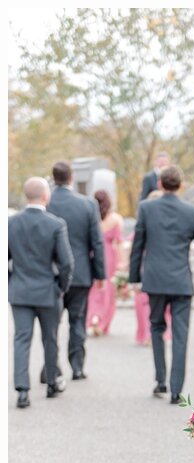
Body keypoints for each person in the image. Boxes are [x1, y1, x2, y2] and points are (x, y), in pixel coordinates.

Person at [128, 164, 194, 403]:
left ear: (160, 184)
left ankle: (160, 381)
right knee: (180, 335)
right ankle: (176, 389)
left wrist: (134, 278)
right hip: (180, 281)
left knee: (156, 328)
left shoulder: (146, 208)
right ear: (181, 185)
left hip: (155, 279)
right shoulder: (192, 212)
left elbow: (138, 245)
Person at [9, 177, 74, 408]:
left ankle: (22, 391)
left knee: (21, 339)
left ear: (27, 196)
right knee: (51, 338)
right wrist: (61, 288)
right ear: (46, 196)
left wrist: (11, 281)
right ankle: (51, 384)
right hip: (48, 291)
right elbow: (66, 263)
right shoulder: (56, 224)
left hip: (20, 291)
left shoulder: (11, 223)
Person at [43, 161, 106, 382]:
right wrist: (100, 274)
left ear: (54, 178)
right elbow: (97, 242)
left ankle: (50, 367)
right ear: (71, 178)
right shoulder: (88, 204)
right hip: (81, 273)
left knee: (51, 322)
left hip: (50, 273)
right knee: (77, 321)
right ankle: (77, 367)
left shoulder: (45, 202)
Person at [132, 191, 172, 346]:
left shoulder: (144, 223)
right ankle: (154, 334)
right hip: (163, 272)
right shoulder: (169, 226)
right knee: (161, 308)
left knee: (144, 305)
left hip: (146, 269)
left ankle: (148, 334)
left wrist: (133, 277)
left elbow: (135, 249)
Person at [86, 190, 125, 336]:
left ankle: (93, 316)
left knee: (93, 290)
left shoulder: (90, 218)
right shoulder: (116, 219)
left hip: (93, 255)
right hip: (109, 256)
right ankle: (103, 321)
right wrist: (123, 262)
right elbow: (120, 242)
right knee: (108, 290)